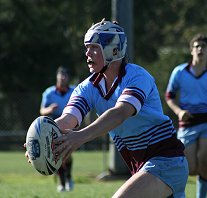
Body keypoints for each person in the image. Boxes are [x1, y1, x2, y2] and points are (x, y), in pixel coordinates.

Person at [28, 19, 189, 198]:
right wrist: (41, 137)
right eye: (86, 47)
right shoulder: (87, 88)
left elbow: (120, 113)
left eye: (94, 47)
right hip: (141, 167)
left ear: (114, 50)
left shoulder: (137, 76)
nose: (88, 54)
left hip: (167, 161)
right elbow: (68, 119)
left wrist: (80, 137)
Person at [165, 34, 207, 198]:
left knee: (204, 164)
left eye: (203, 47)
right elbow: (169, 96)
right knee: (189, 168)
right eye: (196, 46)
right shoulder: (180, 71)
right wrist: (179, 112)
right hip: (188, 122)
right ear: (191, 50)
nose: (200, 49)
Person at [40, 66, 75, 192]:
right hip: (54, 124)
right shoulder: (49, 92)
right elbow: (42, 110)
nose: (63, 77)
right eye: (61, 75)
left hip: (70, 123)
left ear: (68, 78)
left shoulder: (74, 91)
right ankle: (62, 183)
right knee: (58, 154)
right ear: (57, 77)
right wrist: (49, 110)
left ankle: (69, 177)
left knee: (67, 154)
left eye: (65, 75)